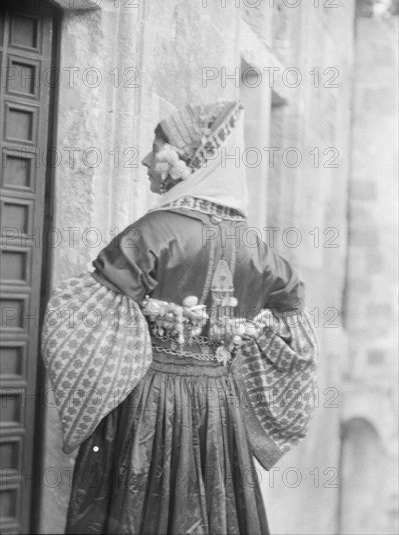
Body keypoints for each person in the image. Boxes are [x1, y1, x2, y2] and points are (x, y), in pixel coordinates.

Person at [42, 100, 318, 535]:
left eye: (157, 149)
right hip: (219, 406)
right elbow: (295, 333)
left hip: (149, 402)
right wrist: (240, 352)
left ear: (183, 163)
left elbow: (76, 322)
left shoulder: (154, 232)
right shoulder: (258, 251)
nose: (147, 160)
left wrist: (107, 374)